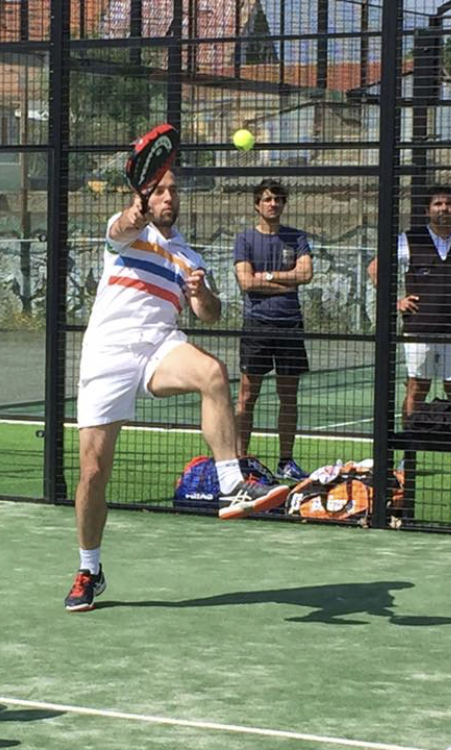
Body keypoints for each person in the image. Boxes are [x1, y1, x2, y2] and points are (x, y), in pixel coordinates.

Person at [66, 170, 285, 613]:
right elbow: (122, 225)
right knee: (92, 472)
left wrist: (200, 293)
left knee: (212, 373)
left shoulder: (188, 256)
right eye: (160, 191)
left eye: (173, 191)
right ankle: (89, 569)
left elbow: (210, 313)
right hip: (108, 354)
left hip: (159, 347)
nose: (168, 198)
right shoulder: (127, 234)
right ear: (145, 198)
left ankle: (232, 484)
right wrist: (136, 211)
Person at [368, 186, 451, 478]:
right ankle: (409, 456)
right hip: (419, 328)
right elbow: (375, 268)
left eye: (449, 204)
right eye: (438, 204)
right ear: (428, 210)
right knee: (417, 388)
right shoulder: (409, 239)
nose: (444, 208)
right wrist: (396, 300)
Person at [233, 179, 314, 481]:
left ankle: (286, 461)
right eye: (267, 199)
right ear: (257, 204)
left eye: (278, 199)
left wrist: (266, 276)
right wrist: (284, 282)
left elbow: (305, 274)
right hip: (257, 325)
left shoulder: (297, 237)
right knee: (247, 396)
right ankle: (241, 460)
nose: (273, 204)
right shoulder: (244, 239)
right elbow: (246, 282)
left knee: (288, 396)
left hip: (290, 324)